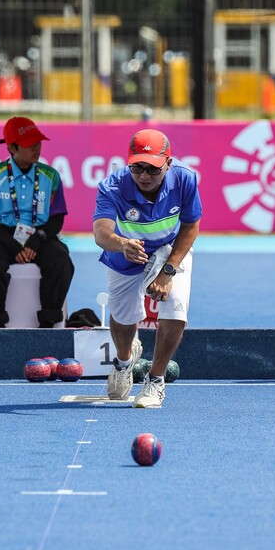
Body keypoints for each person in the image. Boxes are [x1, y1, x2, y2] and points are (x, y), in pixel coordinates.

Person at [93, 129, 202, 408]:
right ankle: (123, 362)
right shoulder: (112, 187)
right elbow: (101, 233)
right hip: (125, 254)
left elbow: (190, 226)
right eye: (137, 167)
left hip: (169, 248)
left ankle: (155, 381)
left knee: (175, 306)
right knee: (122, 315)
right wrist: (121, 244)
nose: (144, 175)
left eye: (152, 168)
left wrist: (168, 270)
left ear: (167, 163)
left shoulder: (185, 180)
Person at [0, 117, 73, 328]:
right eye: (30, 143)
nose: (37, 147)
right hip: (1, 237)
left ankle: (48, 324)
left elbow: (56, 219)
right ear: (11, 147)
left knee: (61, 261)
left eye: (39, 142)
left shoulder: (51, 176)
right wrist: (12, 245)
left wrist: (36, 241)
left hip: (41, 235)